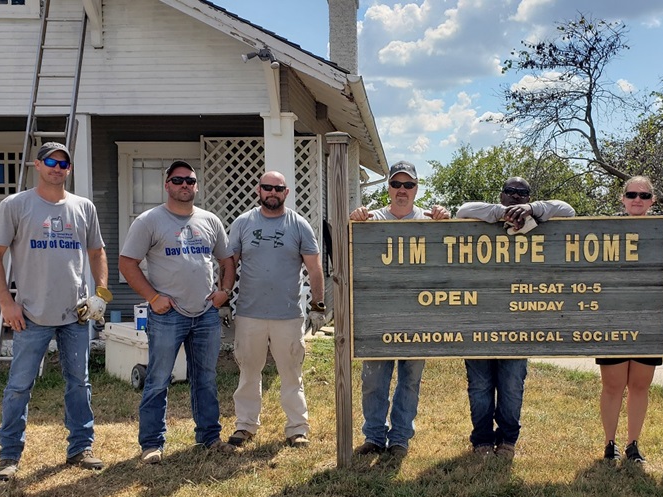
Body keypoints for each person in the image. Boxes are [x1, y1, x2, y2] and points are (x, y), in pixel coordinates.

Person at [0, 142, 108, 482]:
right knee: (19, 387)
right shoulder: (16, 205)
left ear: (69, 169)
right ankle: (9, 456)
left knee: (79, 383)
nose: (57, 167)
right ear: (37, 165)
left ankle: (81, 448)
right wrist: (6, 304)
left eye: (63, 163)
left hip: (77, 315)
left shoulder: (84, 208)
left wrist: (100, 294)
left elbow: (97, 252)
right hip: (31, 314)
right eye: (51, 161)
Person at [119, 161, 237, 464]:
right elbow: (127, 263)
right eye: (178, 180)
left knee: (206, 379)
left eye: (190, 181)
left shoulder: (210, 220)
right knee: (158, 378)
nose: (184, 185)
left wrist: (224, 292)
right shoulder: (149, 221)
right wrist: (152, 297)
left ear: (196, 186)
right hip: (167, 314)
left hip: (206, 313)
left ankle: (210, 438)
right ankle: (151, 444)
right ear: (167, 185)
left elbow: (227, 260)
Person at [455, 177, 575, 459]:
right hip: (479, 321)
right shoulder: (485, 216)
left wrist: (533, 209)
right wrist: (501, 213)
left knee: (511, 387)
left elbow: (568, 210)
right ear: (501, 194)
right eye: (511, 192)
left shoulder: (540, 218)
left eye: (523, 194)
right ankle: (482, 441)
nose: (516, 197)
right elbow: (462, 210)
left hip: (519, 324)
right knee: (480, 386)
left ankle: (508, 440)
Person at [349, 161, 450, 459]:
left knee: (410, 380)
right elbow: (349, 247)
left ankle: (400, 438)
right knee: (373, 381)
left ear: (417, 188)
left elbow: (452, 251)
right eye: (396, 184)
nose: (402, 190)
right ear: (388, 188)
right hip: (378, 316)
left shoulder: (430, 220)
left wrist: (446, 220)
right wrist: (354, 219)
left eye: (408, 185)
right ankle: (374, 436)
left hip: (419, 316)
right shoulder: (372, 219)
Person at [227, 171, 325, 448]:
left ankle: (297, 428)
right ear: (258, 190)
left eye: (278, 188)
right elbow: (229, 264)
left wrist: (318, 306)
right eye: (267, 187)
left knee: (292, 373)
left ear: (286, 192)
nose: (272, 192)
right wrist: (223, 300)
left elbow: (314, 268)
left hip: (288, 314)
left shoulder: (299, 225)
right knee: (248, 372)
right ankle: (245, 426)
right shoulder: (243, 223)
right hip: (249, 312)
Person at [596, 176, 662, 463]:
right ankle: (609, 444)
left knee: (639, 386)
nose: (638, 199)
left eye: (644, 195)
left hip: (650, 320)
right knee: (612, 386)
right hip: (612, 319)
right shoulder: (606, 231)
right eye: (632, 194)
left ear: (653, 201)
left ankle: (633, 444)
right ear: (622, 199)